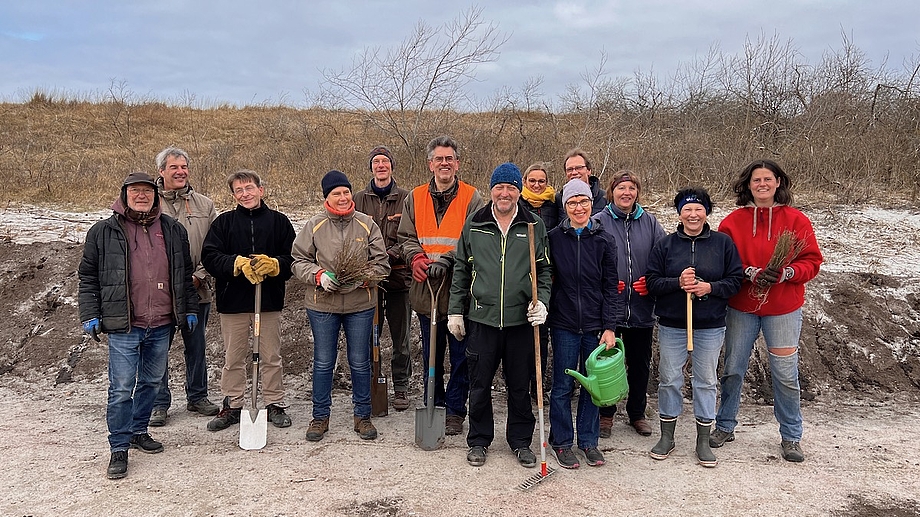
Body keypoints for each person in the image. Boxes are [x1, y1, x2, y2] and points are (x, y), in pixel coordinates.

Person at [78, 172, 199, 480]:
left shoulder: (172, 230)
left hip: (161, 324)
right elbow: (88, 277)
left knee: (150, 383)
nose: (141, 195)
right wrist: (90, 313)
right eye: (135, 191)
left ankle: (138, 430)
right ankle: (118, 447)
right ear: (124, 195)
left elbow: (184, 275)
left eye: (147, 191)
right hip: (124, 325)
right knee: (120, 389)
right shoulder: (102, 232)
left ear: (155, 195)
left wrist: (189, 309)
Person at [711, 159, 824, 463]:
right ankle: (724, 425)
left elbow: (812, 262)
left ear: (778, 183)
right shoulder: (732, 222)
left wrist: (787, 272)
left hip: (783, 308)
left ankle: (790, 435)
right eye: (756, 180)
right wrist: (747, 272)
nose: (762, 184)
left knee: (785, 374)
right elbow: (724, 262)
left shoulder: (797, 220)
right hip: (742, 307)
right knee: (733, 368)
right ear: (748, 185)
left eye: (768, 179)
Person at [447, 162, 552, 468]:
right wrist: (456, 309)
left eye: (511, 188)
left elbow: (544, 270)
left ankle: (520, 442)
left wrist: (542, 301)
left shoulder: (533, 225)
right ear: (491, 190)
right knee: (479, 384)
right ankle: (479, 440)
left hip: (521, 321)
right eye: (499, 187)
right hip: (483, 318)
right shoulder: (475, 224)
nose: (505, 193)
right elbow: (462, 270)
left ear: (519, 191)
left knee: (520, 385)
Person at [645, 187, 743, 468]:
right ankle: (668, 437)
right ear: (679, 213)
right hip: (673, 324)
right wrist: (677, 282)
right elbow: (652, 282)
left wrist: (708, 287)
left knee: (705, 380)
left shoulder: (722, 244)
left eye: (698, 208)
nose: (693, 214)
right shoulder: (665, 245)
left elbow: (735, 281)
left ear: (707, 212)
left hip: (710, 325)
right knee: (670, 379)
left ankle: (702, 440)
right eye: (687, 209)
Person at [292, 170, 390, 441]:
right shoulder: (314, 225)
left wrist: (364, 277)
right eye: (337, 193)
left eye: (346, 192)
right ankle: (320, 417)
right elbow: (298, 260)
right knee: (324, 362)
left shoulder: (367, 224)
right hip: (322, 305)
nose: (343, 197)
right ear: (327, 197)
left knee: (360, 362)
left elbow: (382, 264)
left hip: (361, 304)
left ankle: (363, 416)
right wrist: (319, 275)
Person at [397, 135, 484, 436]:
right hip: (425, 290)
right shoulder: (415, 197)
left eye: (450, 159)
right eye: (439, 159)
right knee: (431, 353)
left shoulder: (473, 198)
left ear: (457, 164)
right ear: (430, 164)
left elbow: (475, 238)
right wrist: (415, 257)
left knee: (461, 356)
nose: (444, 164)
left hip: (459, 290)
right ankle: (433, 401)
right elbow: (405, 236)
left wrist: (448, 258)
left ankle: (456, 411)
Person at [201, 170, 296, 433]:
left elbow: (293, 258)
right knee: (233, 357)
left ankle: (274, 402)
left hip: (268, 301)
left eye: (249, 188)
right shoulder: (223, 224)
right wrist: (236, 263)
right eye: (239, 190)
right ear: (233, 195)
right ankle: (233, 403)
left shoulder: (279, 222)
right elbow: (210, 257)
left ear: (261, 190)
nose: (245, 194)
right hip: (234, 301)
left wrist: (275, 265)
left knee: (270, 356)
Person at [546, 179, 623, 469]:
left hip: (595, 326)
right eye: (572, 203)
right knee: (563, 385)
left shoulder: (604, 240)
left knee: (594, 387)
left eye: (583, 202)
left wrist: (610, 326)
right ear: (565, 207)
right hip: (564, 323)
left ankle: (589, 442)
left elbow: (610, 286)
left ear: (592, 203)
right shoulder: (554, 238)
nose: (578, 207)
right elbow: (546, 279)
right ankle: (562, 442)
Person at [593, 171, 666, 438]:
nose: (627, 193)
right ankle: (605, 414)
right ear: (611, 192)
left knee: (639, 364)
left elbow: (663, 258)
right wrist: (605, 283)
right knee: (607, 364)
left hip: (641, 308)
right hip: (608, 310)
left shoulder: (650, 223)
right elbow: (589, 261)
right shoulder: (598, 221)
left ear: (637, 192)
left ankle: (637, 413)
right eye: (621, 188)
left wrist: (651, 281)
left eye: (632, 188)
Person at [149, 147, 219, 426]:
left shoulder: (205, 204)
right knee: (157, 348)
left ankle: (198, 396)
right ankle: (158, 403)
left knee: (197, 345)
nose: (180, 172)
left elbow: (215, 246)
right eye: (174, 167)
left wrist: (200, 274)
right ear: (161, 172)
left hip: (196, 288)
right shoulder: (148, 204)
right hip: (158, 292)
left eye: (184, 167)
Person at [353, 146, 413, 411]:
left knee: (400, 338)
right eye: (376, 162)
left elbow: (412, 235)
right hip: (367, 282)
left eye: (385, 161)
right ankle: (369, 384)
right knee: (368, 336)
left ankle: (400, 387)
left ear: (392, 166)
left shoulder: (407, 198)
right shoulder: (357, 198)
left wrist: (387, 256)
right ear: (371, 167)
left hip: (399, 278)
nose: (380, 166)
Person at [519, 162, 557, 401]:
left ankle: (538, 386)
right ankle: (521, 383)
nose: (536, 184)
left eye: (541, 181)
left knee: (542, 336)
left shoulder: (555, 204)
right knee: (524, 335)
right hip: (524, 278)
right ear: (525, 182)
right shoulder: (518, 203)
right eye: (532, 181)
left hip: (550, 278)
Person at [554, 148, 607, 225]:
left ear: (589, 170)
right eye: (570, 169)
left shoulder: (605, 198)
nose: (574, 172)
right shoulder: (558, 199)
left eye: (579, 168)